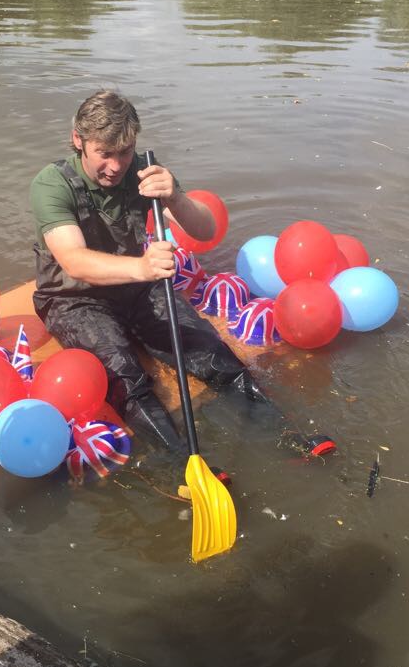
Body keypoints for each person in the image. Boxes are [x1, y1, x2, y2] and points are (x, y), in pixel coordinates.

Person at [30, 90, 333, 455]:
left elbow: (206, 230)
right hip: (75, 298)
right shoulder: (52, 183)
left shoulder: (144, 170)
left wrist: (174, 196)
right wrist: (143, 266)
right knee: (125, 376)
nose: (115, 165)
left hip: (136, 285)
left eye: (124, 152)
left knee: (209, 351)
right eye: (104, 154)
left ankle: (288, 436)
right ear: (78, 141)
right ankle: (183, 465)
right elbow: (74, 260)